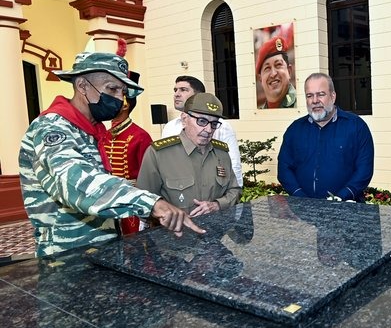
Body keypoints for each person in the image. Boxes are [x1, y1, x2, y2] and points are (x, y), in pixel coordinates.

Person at [18, 52, 204, 257]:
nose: (119, 98)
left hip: (99, 248)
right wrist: (151, 203)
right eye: (111, 88)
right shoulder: (53, 128)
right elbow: (74, 182)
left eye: (122, 91)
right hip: (66, 254)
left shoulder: (90, 130)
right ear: (82, 86)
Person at [138, 92, 241, 216]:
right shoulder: (159, 154)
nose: (208, 130)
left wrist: (217, 205)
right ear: (184, 119)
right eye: (202, 121)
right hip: (174, 233)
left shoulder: (221, 153)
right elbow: (143, 201)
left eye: (214, 124)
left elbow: (234, 190)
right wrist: (168, 216)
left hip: (216, 232)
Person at [278, 73, 373, 200]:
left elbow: (364, 170)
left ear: (333, 97)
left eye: (321, 94)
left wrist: (340, 198)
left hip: (347, 209)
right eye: (309, 95)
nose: (315, 100)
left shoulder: (356, 127)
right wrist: (299, 196)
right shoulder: (295, 130)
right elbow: (284, 168)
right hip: (303, 210)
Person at [162, 75, 243, 186]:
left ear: (198, 96)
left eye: (183, 90)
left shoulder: (222, 126)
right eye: (175, 90)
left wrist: (234, 195)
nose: (176, 94)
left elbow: (233, 164)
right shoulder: (170, 127)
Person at [104, 71, 152, 235]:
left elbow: (149, 178)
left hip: (131, 204)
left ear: (125, 103)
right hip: (108, 203)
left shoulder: (140, 136)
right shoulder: (104, 135)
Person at [256, 34, 297, 109]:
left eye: (278, 65)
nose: (273, 74)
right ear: (260, 79)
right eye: (267, 68)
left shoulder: (303, 104)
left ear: (289, 71)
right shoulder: (260, 112)